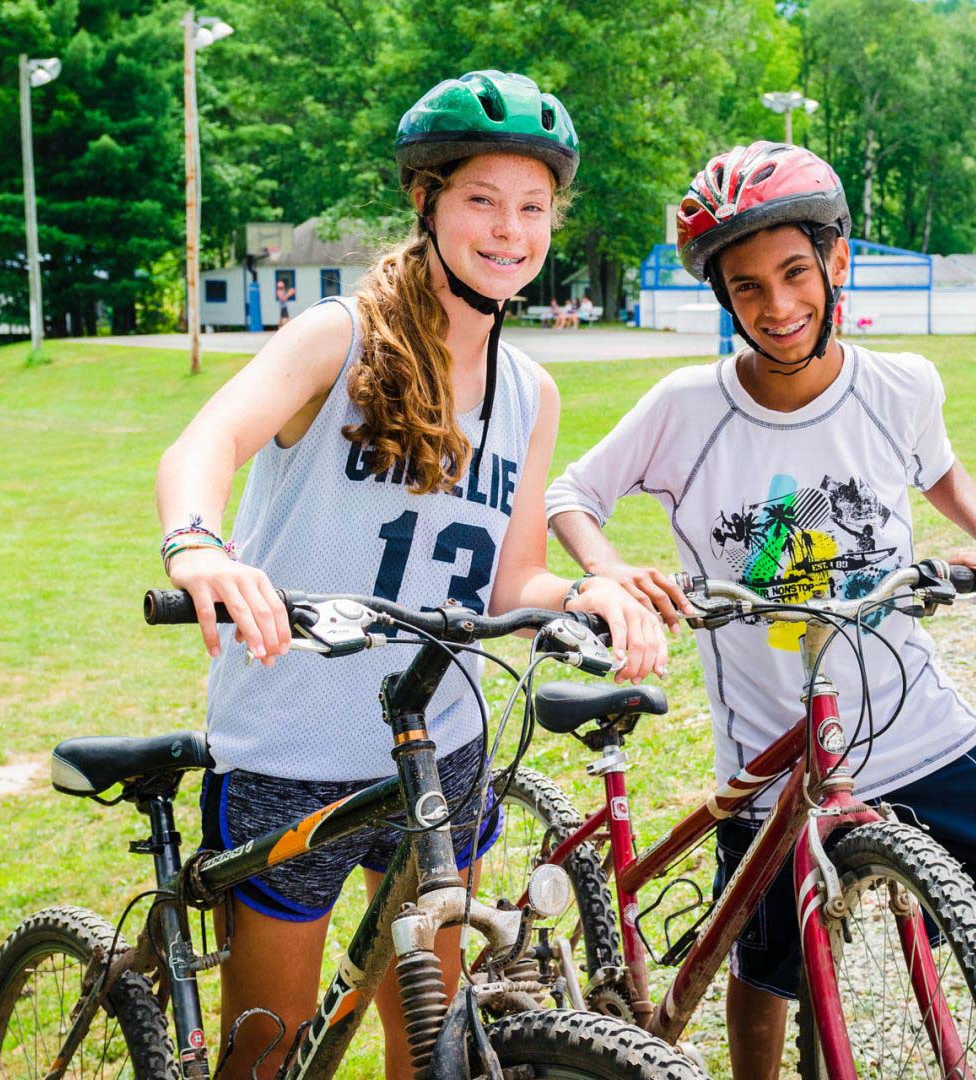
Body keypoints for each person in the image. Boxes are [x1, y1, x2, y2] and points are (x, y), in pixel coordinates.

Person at [545, 142, 976, 1080]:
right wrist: (609, 569)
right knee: (764, 974)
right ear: (722, 298)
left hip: (913, 724)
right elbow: (571, 494)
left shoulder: (902, 385)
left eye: (796, 273)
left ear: (837, 262)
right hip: (770, 753)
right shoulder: (688, 407)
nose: (778, 305)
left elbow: (940, 469)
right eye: (747, 286)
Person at [155, 71, 663, 1080]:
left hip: (443, 749)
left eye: (533, 208)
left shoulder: (532, 389)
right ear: (428, 201)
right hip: (292, 743)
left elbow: (512, 578)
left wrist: (586, 591)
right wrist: (198, 547)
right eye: (482, 200)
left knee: (428, 1047)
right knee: (268, 1047)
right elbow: (202, 445)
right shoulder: (335, 339)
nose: (510, 231)